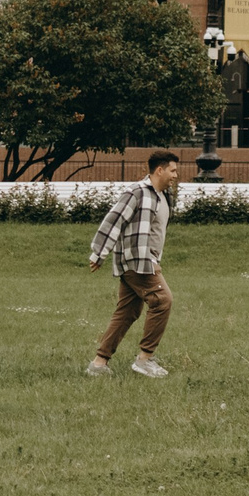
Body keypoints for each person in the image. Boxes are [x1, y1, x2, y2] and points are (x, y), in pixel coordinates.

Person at [86, 149, 182, 378]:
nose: (176, 175)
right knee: (162, 300)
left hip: (146, 260)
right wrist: (98, 253)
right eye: (173, 170)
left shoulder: (162, 196)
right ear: (160, 170)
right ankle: (145, 359)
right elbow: (114, 220)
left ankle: (98, 364)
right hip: (136, 260)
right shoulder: (137, 192)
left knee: (127, 312)